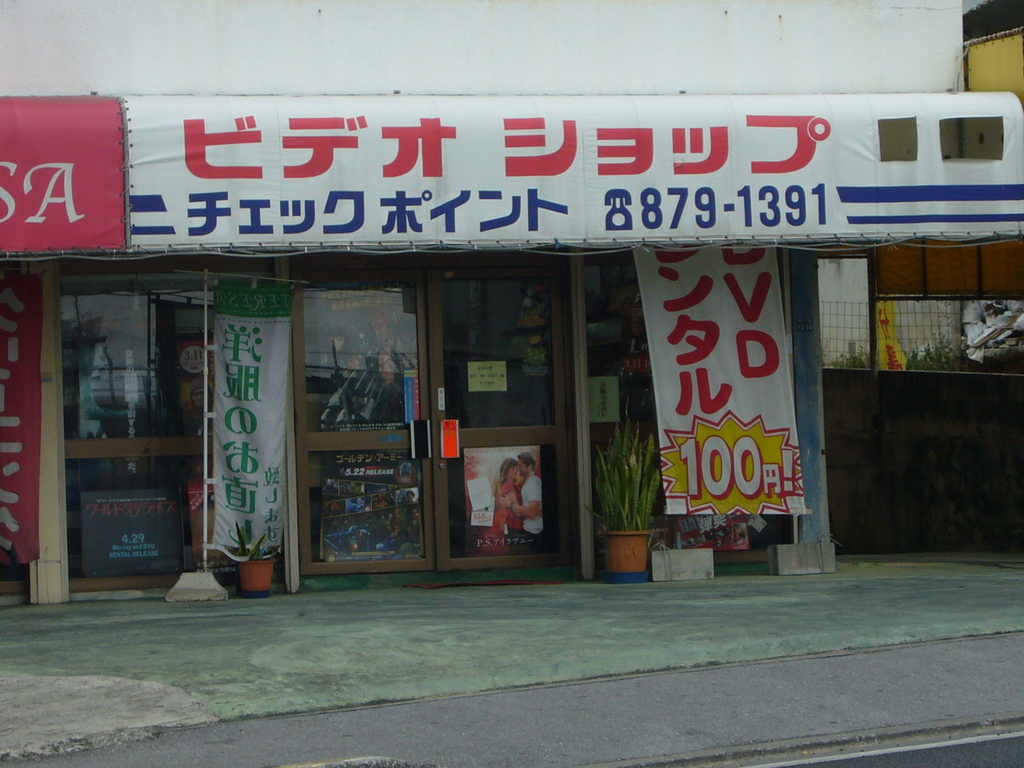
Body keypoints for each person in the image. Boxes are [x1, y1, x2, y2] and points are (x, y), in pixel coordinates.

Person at [511, 450, 542, 536]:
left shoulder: (534, 483)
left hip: (534, 532)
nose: (518, 469)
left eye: (520, 466)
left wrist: (513, 506)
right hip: (529, 529)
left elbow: (532, 511)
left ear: (530, 467)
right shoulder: (527, 483)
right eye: (518, 466)